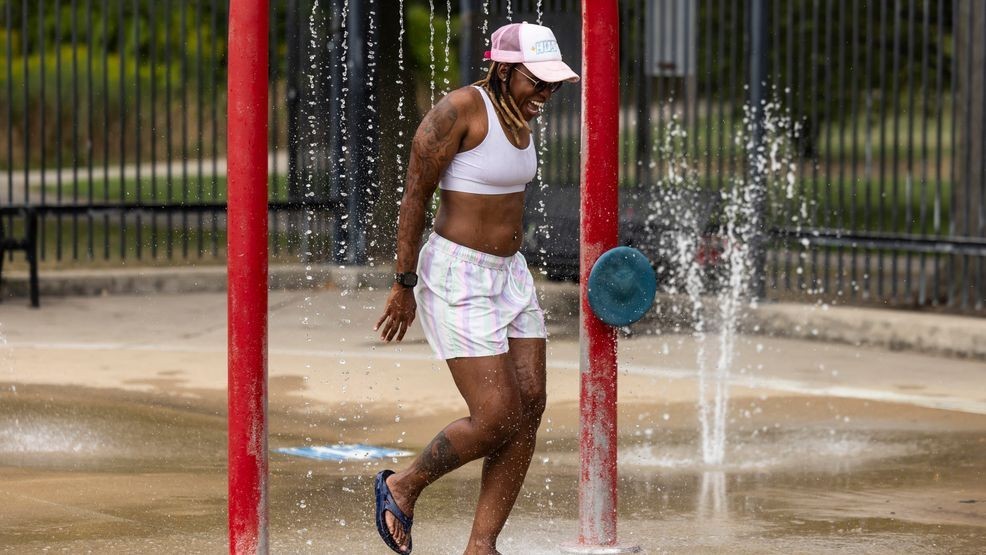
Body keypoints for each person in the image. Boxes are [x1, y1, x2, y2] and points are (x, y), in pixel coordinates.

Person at [372, 21, 579, 555]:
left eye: (554, 85)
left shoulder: (521, 115)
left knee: (530, 404)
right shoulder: (458, 111)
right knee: (495, 415)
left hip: (509, 275)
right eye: (538, 82)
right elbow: (415, 196)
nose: (547, 95)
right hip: (457, 274)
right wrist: (403, 282)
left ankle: (481, 545)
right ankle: (403, 485)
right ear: (506, 71)